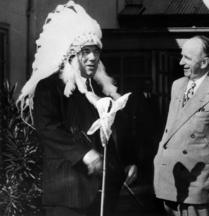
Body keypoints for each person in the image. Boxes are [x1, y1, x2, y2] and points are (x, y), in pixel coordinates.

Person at [17, 1, 137, 216]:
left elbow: (118, 131)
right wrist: (84, 154)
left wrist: (128, 161)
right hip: (68, 194)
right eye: (85, 51)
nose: (92, 57)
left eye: (96, 52)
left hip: (104, 194)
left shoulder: (104, 90)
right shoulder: (50, 87)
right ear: (72, 54)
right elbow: (48, 129)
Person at [154, 35, 209, 216]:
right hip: (169, 180)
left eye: (187, 58)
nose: (180, 62)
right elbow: (171, 129)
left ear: (204, 62)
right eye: (181, 56)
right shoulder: (177, 86)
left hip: (200, 184)